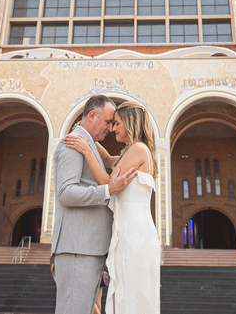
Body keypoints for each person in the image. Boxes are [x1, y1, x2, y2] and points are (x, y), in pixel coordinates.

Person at [64, 101, 160, 314]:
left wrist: (86, 150)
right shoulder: (135, 151)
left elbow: (108, 183)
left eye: (117, 123)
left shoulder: (138, 149)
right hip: (131, 229)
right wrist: (86, 136)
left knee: (132, 295)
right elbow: (107, 159)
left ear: (130, 123)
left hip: (135, 233)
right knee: (129, 291)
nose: (112, 128)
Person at [52, 96, 136, 314]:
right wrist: (108, 190)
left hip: (89, 248)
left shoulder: (88, 144)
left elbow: (110, 161)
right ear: (92, 115)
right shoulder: (73, 144)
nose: (110, 127)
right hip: (78, 248)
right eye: (108, 121)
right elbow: (65, 193)